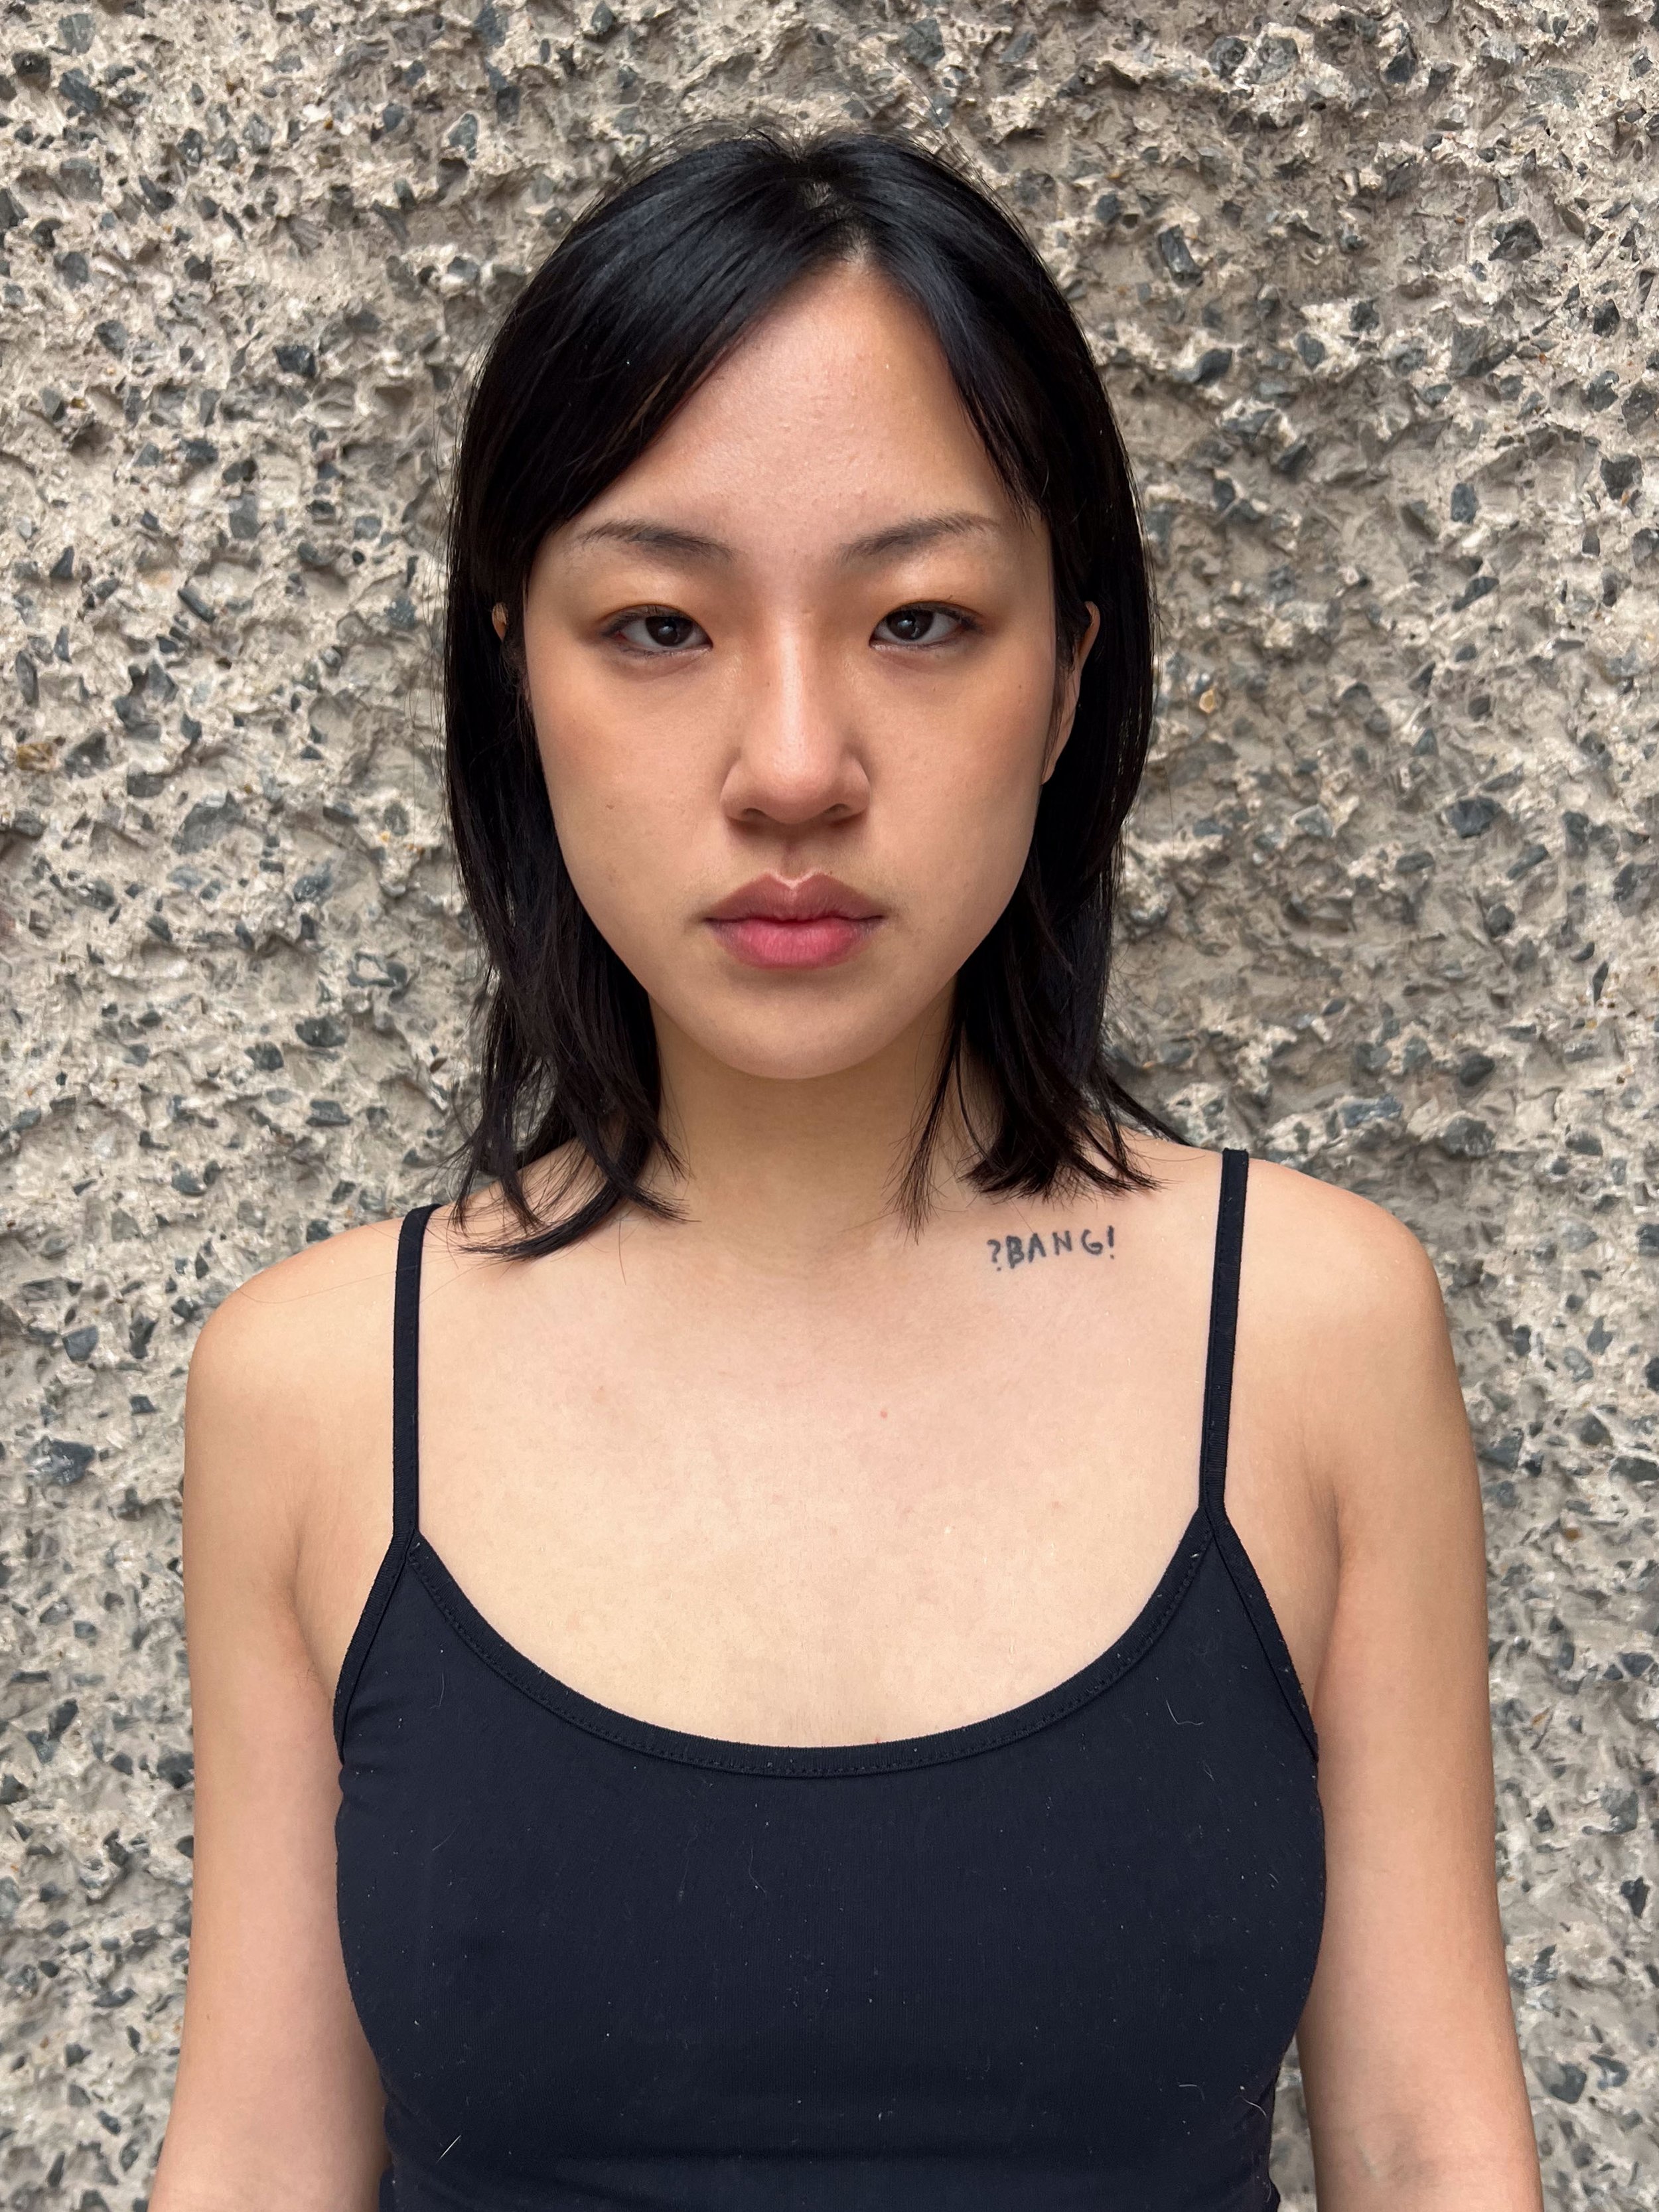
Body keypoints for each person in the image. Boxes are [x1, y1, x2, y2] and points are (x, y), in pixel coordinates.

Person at [153, 127, 1542, 2211]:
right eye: (657, 624)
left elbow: (1430, 2145)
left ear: (1065, 678)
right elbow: (261, 2155)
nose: (793, 767)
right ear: (513, 677)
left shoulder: (1310, 1334)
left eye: (916, 618)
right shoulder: (318, 1388)